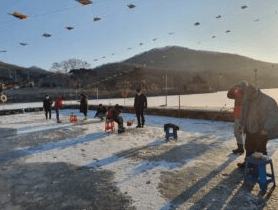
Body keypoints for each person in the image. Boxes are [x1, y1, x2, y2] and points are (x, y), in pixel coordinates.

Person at [237, 81, 278, 168]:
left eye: (247, 95)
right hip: (249, 128)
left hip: (261, 130)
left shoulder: (267, 100)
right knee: (248, 147)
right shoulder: (246, 99)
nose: (246, 97)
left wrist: (266, 128)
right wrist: (241, 124)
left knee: (261, 150)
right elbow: (243, 112)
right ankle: (247, 163)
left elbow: (274, 116)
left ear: (253, 93)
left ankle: (260, 168)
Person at [227, 81, 245, 154]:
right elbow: (229, 95)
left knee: (239, 132)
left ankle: (241, 148)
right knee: (237, 132)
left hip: (242, 117)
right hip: (237, 116)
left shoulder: (245, 94)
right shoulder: (237, 94)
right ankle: (240, 147)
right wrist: (233, 88)